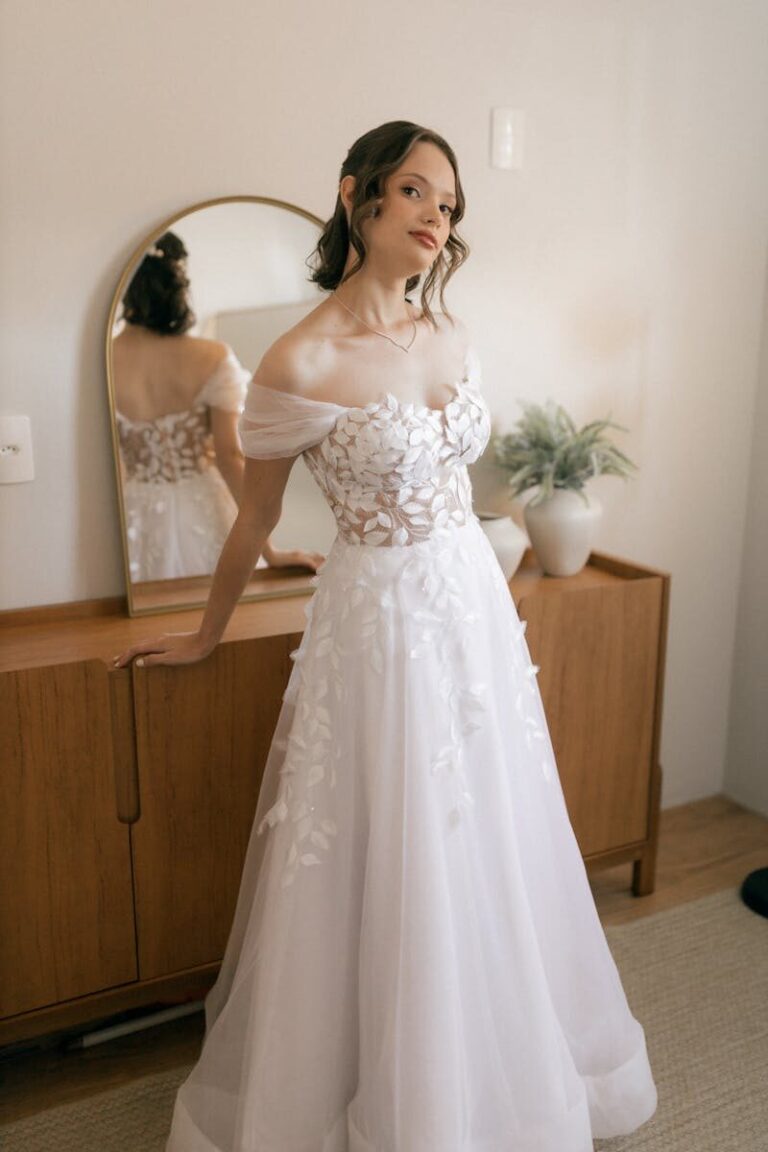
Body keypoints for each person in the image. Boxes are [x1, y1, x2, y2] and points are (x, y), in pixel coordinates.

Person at [114, 122, 657, 1151]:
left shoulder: (449, 331)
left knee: (491, 821)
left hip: (472, 605)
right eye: (414, 191)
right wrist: (203, 634)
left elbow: (455, 482)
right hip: (382, 623)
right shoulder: (300, 357)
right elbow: (253, 518)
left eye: (447, 204)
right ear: (356, 195)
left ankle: (502, 1064)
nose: (433, 216)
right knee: (398, 833)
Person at [113, 230, 322, 581]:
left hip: (134, 515)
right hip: (203, 507)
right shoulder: (210, 356)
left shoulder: (103, 360)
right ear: (178, 283)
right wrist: (270, 551)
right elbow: (230, 457)